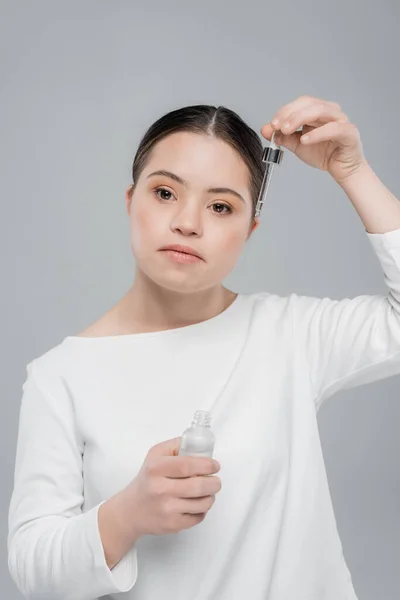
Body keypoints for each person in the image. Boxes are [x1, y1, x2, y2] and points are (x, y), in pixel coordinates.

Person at [7, 94, 400, 600]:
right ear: (131, 201)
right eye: (166, 193)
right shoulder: (59, 375)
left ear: (249, 229)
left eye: (220, 206)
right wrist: (126, 515)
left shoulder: (291, 335)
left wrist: (353, 171)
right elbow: (31, 567)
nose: (188, 222)